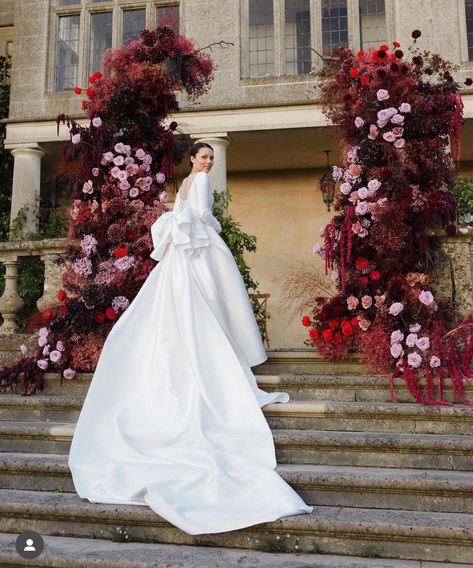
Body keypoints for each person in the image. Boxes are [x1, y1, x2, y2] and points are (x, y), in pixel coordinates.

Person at [68, 142, 313, 535]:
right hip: (198, 251)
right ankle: (212, 362)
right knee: (211, 306)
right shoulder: (199, 182)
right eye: (204, 158)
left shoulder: (183, 183)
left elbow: (181, 215)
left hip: (182, 256)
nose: (208, 163)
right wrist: (216, 230)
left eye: (211, 160)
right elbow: (201, 216)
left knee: (188, 310)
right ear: (194, 160)